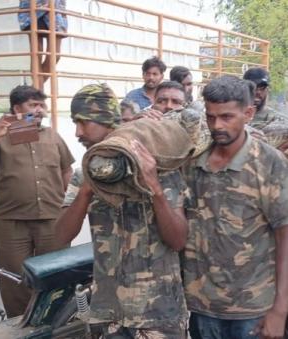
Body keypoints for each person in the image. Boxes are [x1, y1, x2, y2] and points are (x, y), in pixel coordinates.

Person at [56, 84, 189, 337]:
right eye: (75, 123)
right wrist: (86, 190)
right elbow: (61, 236)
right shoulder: (84, 175)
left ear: (107, 121)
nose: (77, 132)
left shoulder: (158, 167)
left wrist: (155, 189)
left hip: (157, 314)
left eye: (84, 123)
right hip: (108, 313)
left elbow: (178, 239)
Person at [182, 75, 288, 339]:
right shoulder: (193, 161)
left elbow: (285, 237)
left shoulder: (268, 163)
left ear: (248, 113)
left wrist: (280, 309)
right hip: (202, 305)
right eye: (210, 116)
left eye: (227, 117)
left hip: (252, 308)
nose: (217, 125)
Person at [0, 85, 74, 317]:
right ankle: (19, 324)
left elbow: (67, 171)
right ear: (17, 108)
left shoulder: (53, 136)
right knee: (15, 278)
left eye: (41, 105)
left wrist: (64, 202)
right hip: (12, 221)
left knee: (56, 273)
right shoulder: (1, 136)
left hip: (52, 218)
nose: (39, 110)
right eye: (32, 105)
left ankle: (57, 320)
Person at [18, 0, 68, 89]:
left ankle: (33, 92)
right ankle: (38, 95)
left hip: (57, 10)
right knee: (37, 53)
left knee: (55, 55)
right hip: (35, 7)